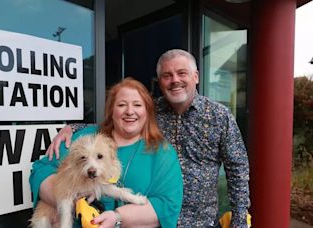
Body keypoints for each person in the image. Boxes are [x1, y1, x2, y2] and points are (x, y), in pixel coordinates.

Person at [47, 49, 250, 228]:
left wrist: (240, 221)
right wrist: (72, 127)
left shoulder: (219, 116)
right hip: (151, 219)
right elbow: (117, 121)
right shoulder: (150, 110)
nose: (175, 80)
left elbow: (237, 170)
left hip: (199, 221)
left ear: (196, 76)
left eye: (182, 73)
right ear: (160, 81)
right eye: (167, 75)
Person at [30, 77, 183, 227]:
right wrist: (69, 198)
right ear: (111, 110)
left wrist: (118, 217)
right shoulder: (84, 137)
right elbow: (41, 170)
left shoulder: (162, 152)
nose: (130, 111)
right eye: (122, 105)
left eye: (137, 105)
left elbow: (166, 204)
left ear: (147, 111)